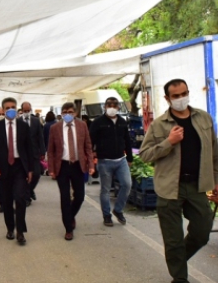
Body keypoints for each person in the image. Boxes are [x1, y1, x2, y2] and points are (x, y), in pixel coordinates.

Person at [139, 78, 218, 283]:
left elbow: (214, 151)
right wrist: (169, 141)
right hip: (169, 188)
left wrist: (217, 180)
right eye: (175, 96)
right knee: (173, 239)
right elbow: (145, 155)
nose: (180, 98)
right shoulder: (159, 125)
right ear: (167, 99)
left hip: (197, 185)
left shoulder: (203, 119)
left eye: (184, 93)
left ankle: (177, 261)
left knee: (202, 230)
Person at [0, 97, 34, 245]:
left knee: (20, 198)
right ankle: (10, 228)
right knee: (7, 201)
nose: (10, 110)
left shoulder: (23, 126)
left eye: (13, 107)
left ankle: (20, 232)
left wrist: (30, 169)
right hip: (2, 169)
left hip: (19, 167)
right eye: (7, 108)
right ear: (3, 109)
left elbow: (29, 148)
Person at [47, 102, 94, 241]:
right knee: (65, 197)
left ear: (75, 113)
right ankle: (68, 228)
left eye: (70, 112)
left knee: (80, 196)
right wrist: (51, 169)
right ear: (61, 113)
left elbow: (88, 147)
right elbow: (51, 150)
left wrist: (91, 164)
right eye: (65, 112)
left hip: (78, 165)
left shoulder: (82, 126)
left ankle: (70, 215)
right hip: (62, 166)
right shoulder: (55, 128)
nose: (68, 114)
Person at [90, 97, 134, 226]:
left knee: (127, 184)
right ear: (105, 107)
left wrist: (130, 158)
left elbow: (127, 140)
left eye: (115, 105)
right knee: (106, 190)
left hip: (121, 160)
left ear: (119, 107)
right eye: (109, 105)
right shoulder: (98, 122)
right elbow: (90, 141)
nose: (112, 107)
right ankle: (106, 215)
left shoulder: (122, 122)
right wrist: (91, 158)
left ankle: (118, 210)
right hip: (104, 161)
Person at [21, 101, 45, 205]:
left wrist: (42, 151)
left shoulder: (36, 121)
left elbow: (40, 137)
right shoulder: (18, 121)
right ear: (21, 111)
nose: (26, 112)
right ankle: (26, 197)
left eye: (28, 110)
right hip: (23, 154)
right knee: (24, 176)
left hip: (35, 153)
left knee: (36, 174)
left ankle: (30, 190)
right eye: (24, 111)